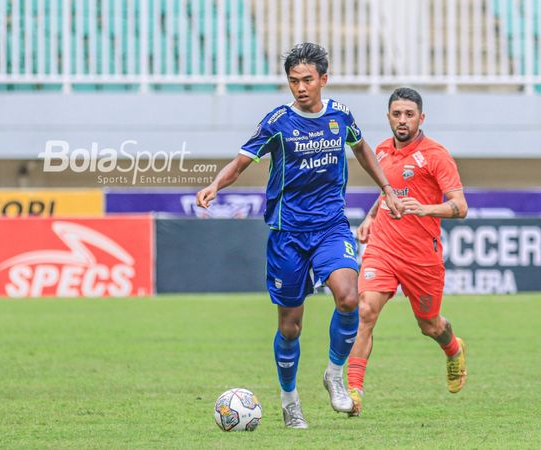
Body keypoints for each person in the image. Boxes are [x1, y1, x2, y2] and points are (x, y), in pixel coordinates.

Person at [195, 43, 403, 429]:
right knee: (290, 325)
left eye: (308, 80)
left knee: (348, 296)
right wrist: (214, 186)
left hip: (330, 226)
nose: (301, 88)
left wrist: (387, 188)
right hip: (287, 233)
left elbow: (363, 151)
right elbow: (241, 162)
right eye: (294, 81)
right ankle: (290, 400)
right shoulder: (277, 122)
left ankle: (334, 375)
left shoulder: (340, 116)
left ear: (324, 79)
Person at [346, 88, 469, 417]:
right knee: (365, 312)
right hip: (382, 248)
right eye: (397, 114)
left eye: (409, 114)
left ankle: (454, 349)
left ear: (421, 118)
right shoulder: (382, 151)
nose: (402, 120)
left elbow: (460, 207)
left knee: (429, 325)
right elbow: (388, 193)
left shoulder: (436, 155)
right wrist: (371, 217)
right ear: (388, 117)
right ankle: (354, 393)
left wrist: (425, 209)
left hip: (421, 257)